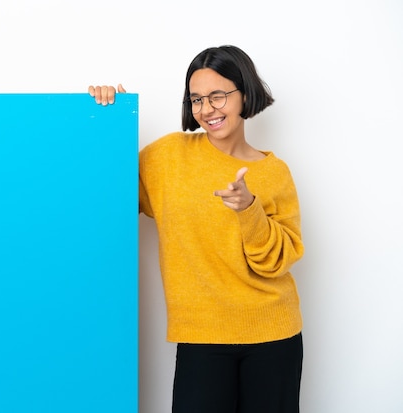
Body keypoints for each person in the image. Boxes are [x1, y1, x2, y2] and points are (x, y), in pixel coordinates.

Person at [89, 45, 304, 413]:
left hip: (273, 334)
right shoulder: (168, 157)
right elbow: (107, 195)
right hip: (200, 336)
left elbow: (277, 261)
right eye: (197, 99)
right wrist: (111, 123)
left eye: (218, 96)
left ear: (244, 95)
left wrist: (249, 209)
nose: (207, 109)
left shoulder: (274, 172)